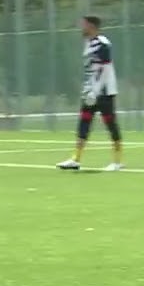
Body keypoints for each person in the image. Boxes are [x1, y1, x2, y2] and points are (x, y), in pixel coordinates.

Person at [57, 15, 123, 171]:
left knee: (110, 123)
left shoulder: (103, 44)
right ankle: (76, 159)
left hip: (104, 92)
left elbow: (105, 69)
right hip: (90, 91)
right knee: (84, 122)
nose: (82, 28)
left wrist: (97, 90)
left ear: (92, 26)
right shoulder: (88, 43)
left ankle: (117, 161)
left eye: (85, 25)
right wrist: (88, 89)